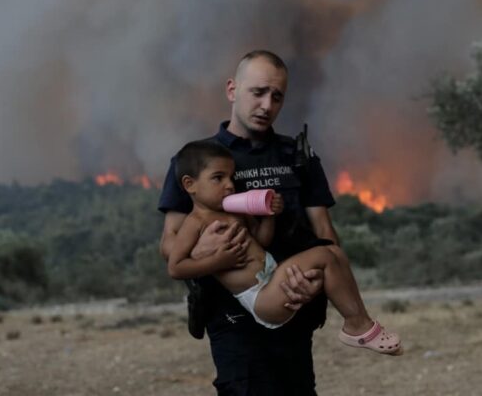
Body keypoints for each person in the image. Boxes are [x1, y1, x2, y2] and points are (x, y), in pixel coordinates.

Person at [158, 50, 341, 395]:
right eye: (257, 92)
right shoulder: (197, 160)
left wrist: (320, 285)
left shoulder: (298, 156)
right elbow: (169, 241)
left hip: (292, 304)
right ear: (232, 90)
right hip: (232, 314)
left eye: (277, 96)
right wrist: (206, 249)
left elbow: (325, 232)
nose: (267, 105)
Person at [167, 140, 402, 355]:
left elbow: (262, 241)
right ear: (190, 184)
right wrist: (218, 262)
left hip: (273, 275)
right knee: (324, 254)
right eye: (218, 178)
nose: (229, 185)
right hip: (260, 297)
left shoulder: (236, 210)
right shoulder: (194, 223)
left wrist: (269, 215)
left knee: (333, 252)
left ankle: (357, 320)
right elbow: (176, 267)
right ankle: (357, 325)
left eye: (231, 177)